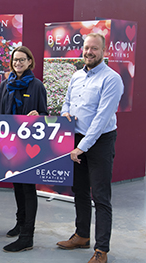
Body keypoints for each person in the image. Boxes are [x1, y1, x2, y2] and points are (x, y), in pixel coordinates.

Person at [56, 33, 124, 263]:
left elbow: (102, 118)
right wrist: (65, 113)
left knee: (101, 196)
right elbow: (66, 102)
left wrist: (81, 148)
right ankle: (82, 235)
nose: (89, 52)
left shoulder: (112, 79)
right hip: (76, 140)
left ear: (104, 52)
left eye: (94, 48)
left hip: (99, 142)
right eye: (86, 48)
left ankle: (101, 249)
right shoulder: (76, 76)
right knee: (80, 190)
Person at [0, 46, 48, 252]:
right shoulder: (5, 85)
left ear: (29, 62)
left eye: (22, 60)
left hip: (29, 145)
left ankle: (28, 236)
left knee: (28, 188)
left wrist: (39, 116)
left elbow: (45, 114)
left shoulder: (36, 86)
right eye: (15, 60)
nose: (18, 63)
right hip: (9, 144)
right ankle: (20, 223)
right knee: (17, 185)